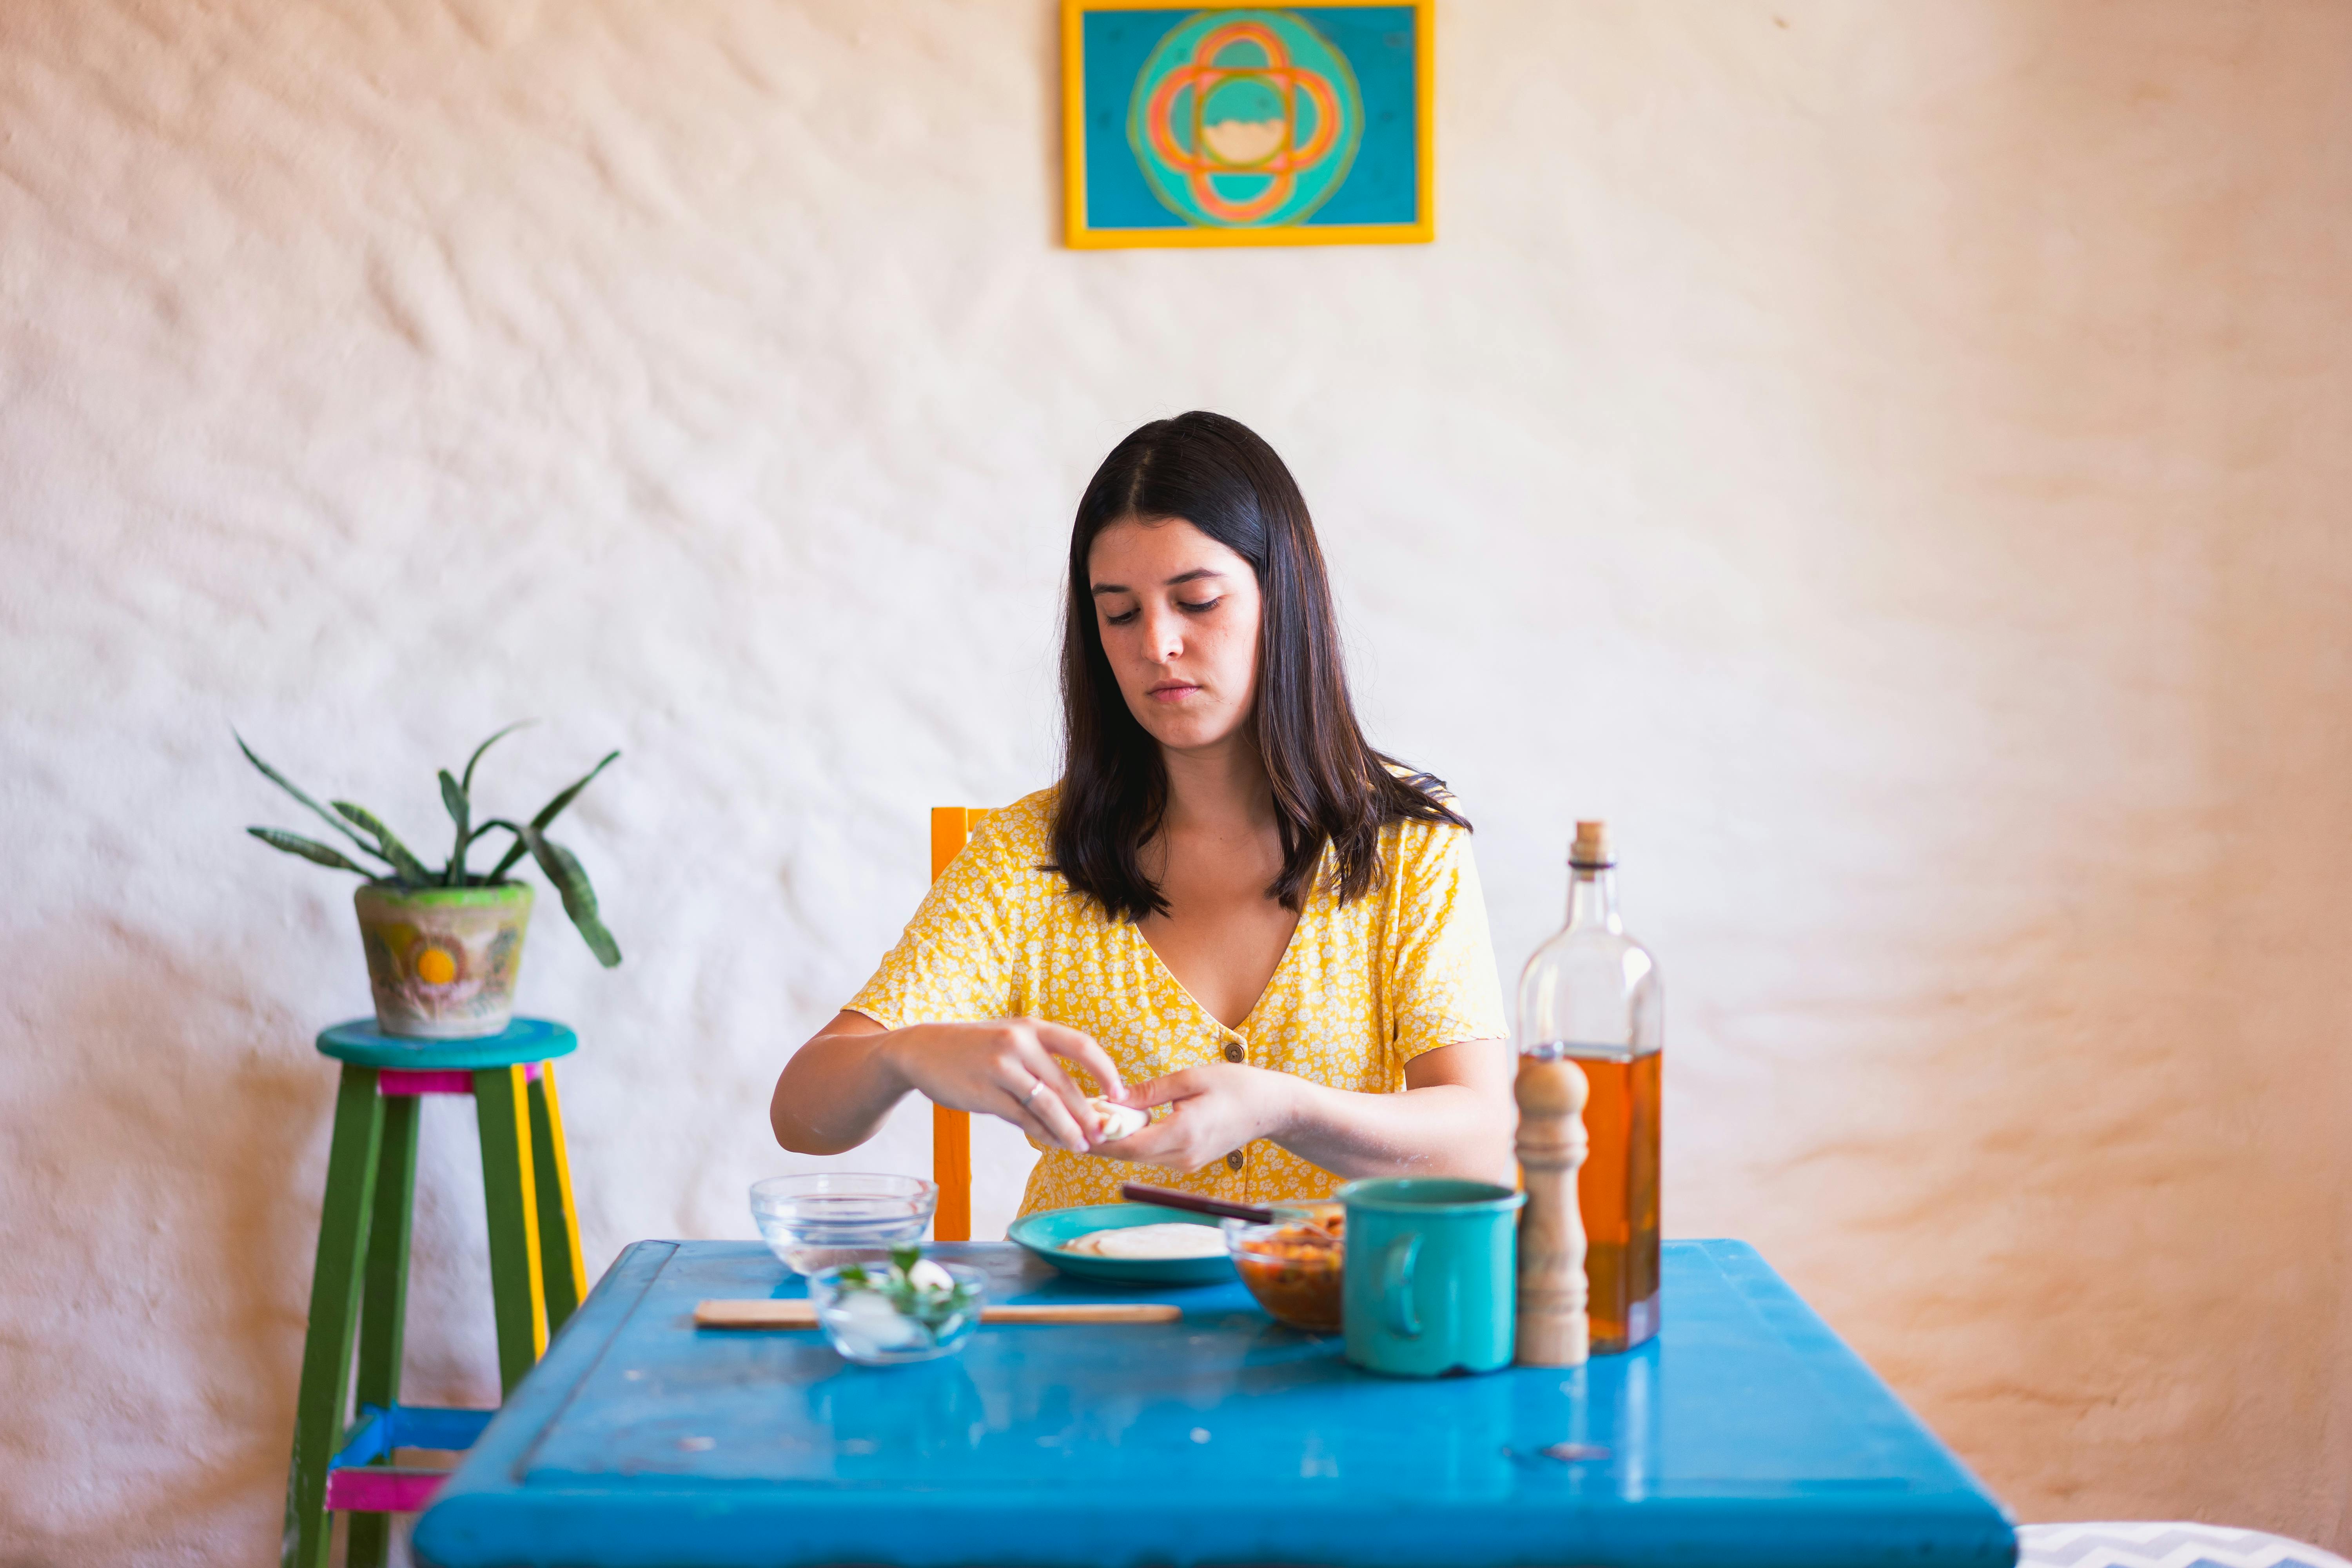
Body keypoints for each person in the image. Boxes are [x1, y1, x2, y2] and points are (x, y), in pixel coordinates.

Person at [770, 411, 1512, 1215]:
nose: (1157, 643)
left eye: (1196, 601)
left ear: (1282, 597)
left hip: (1331, 1319)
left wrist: (1283, 1107)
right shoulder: (1028, 854)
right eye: (1120, 614)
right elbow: (801, 1114)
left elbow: (1480, 1137)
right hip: (1082, 1322)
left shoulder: (1404, 839)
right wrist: (904, 1055)